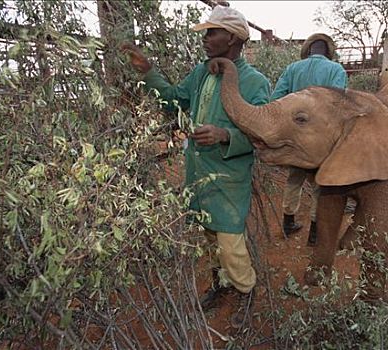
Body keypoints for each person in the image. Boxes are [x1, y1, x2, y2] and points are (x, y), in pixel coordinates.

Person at [122, 5, 270, 328]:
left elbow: (261, 134)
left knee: (231, 246)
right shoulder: (202, 73)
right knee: (207, 240)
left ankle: (246, 292)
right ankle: (220, 286)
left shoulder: (254, 82)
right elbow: (174, 100)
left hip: (228, 182)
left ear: (231, 38)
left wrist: (223, 135)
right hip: (199, 178)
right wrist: (148, 72)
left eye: (211, 32)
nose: (204, 38)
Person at [271, 33, 348, 247]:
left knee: (293, 180)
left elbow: (276, 98)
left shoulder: (292, 69)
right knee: (319, 185)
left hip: (295, 138)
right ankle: (314, 234)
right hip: (320, 140)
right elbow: (338, 104)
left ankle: (288, 223)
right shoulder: (336, 70)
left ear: (309, 50)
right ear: (327, 51)